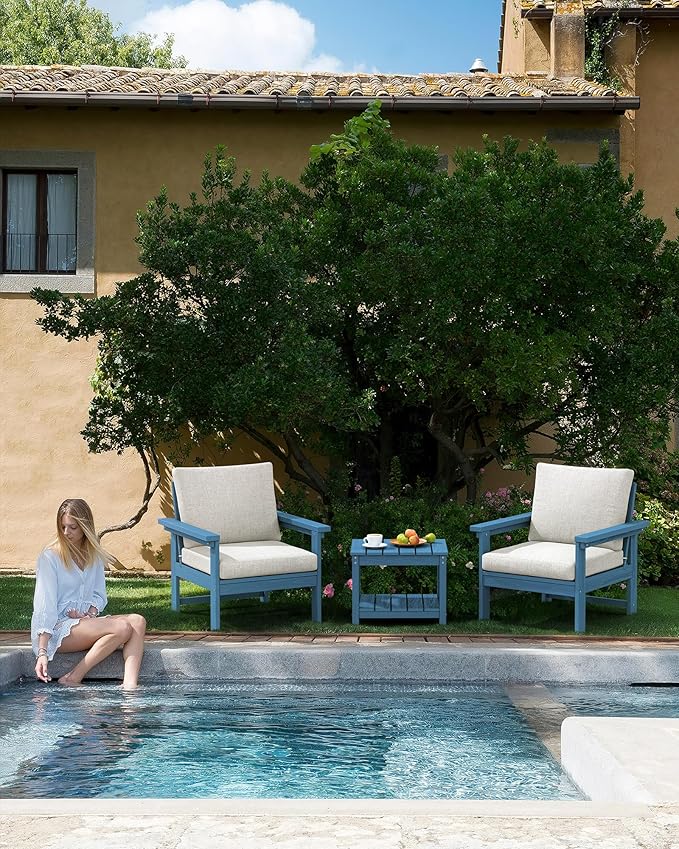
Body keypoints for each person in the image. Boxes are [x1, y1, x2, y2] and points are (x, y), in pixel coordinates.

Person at [31, 498, 146, 689]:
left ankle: (130, 687)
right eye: (63, 527)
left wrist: (90, 615)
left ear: (85, 527)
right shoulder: (50, 557)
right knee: (122, 627)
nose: (66, 532)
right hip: (56, 631)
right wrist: (42, 651)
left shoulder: (94, 556)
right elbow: (45, 605)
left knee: (137, 621)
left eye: (73, 527)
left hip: (83, 624)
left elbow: (99, 596)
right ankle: (74, 677)